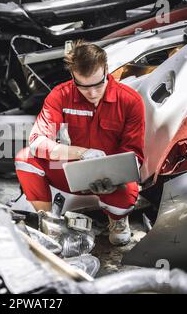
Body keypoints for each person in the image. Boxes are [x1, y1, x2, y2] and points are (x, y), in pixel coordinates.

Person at [15, 40, 145, 246]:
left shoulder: (130, 101)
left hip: (111, 178)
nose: (92, 93)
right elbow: (37, 142)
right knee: (25, 159)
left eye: (97, 84)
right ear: (73, 76)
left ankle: (118, 220)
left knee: (126, 202)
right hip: (72, 171)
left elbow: (134, 154)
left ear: (106, 70)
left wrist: (116, 179)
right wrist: (82, 153)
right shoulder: (60, 95)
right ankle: (48, 220)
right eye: (83, 86)